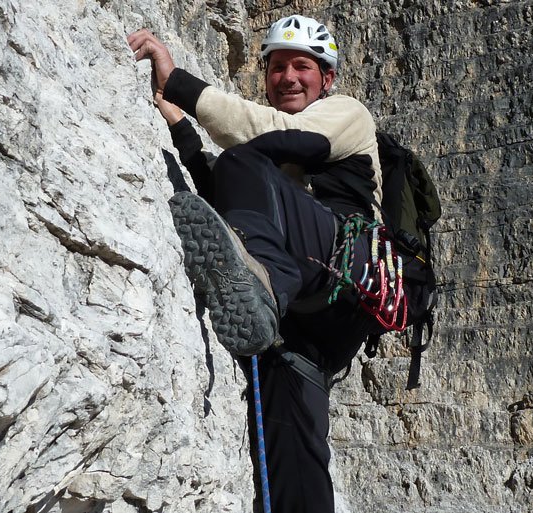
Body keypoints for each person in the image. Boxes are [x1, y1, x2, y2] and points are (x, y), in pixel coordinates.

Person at [128, 15, 381, 513]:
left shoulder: (346, 114)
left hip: (344, 275)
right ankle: (265, 293)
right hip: (312, 327)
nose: (288, 77)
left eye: (302, 67)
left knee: (247, 160)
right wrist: (183, 133)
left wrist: (179, 84)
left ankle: (265, 283)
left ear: (326, 79)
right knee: (293, 444)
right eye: (277, 67)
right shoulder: (271, 164)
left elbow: (272, 141)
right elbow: (230, 193)